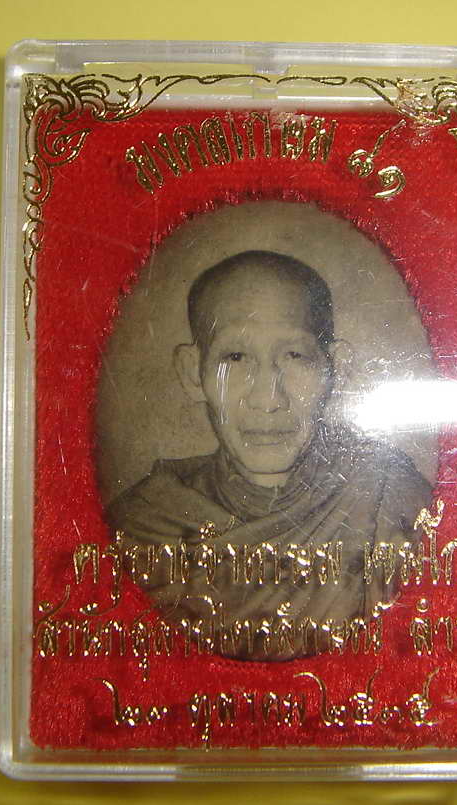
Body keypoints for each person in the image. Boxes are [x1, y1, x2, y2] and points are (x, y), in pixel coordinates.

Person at [106, 250, 432, 659]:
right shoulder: (145, 524)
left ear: (335, 368)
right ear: (193, 372)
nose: (268, 399)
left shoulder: (391, 501)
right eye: (235, 358)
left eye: (295, 356)